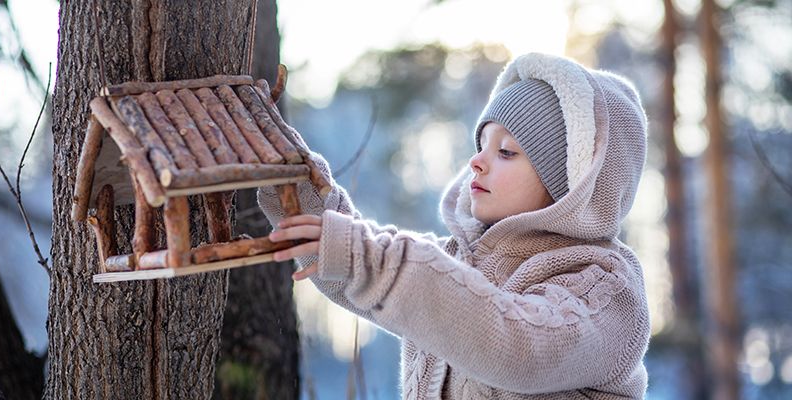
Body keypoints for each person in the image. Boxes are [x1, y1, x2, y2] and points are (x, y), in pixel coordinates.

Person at [257, 52, 651, 399]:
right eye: (481, 146)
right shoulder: (460, 261)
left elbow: (520, 347)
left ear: (570, 182)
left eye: (506, 152)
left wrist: (374, 259)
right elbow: (365, 281)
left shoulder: (604, 287)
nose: (476, 162)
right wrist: (295, 187)